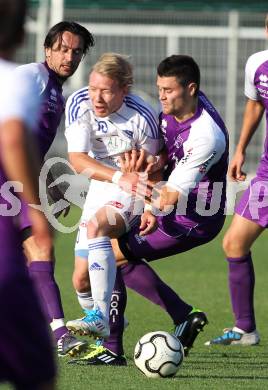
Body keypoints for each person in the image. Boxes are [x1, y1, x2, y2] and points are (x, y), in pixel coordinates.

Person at [68, 54, 229, 366]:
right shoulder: (177, 108)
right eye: (159, 89)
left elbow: (167, 196)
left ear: (191, 89)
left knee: (112, 251)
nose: (162, 97)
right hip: (179, 204)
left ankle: (113, 347)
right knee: (110, 248)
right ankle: (183, 316)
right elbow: (168, 154)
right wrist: (151, 162)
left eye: (168, 90)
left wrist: (148, 198)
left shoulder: (206, 136)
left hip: (193, 217)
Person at [64, 52, 162, 341]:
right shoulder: (79, 103)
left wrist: (149, 208)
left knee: (98, 227)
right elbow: (78, 161)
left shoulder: (143, 116)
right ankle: (108, 320)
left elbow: (154, 167)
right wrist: (119, 176)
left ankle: (102, 319)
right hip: (104, 182)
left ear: (124, 90)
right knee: (80, 279)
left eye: (106, 90)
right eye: (94, 88)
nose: (97, 97)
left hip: (133, 187)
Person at [16, 21, 95, 356]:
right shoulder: (31, 76)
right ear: (47, 49)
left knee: (33, 253)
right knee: (37, 249)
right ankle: (58, 334)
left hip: (15, 183)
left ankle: (53, 333)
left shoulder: (55, 92)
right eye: (63, 49)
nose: (69, 56)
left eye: (76, 51)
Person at [0, 0, 55, 388]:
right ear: (22, 36)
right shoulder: (13, 80)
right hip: (2, 269)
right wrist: (35, 208)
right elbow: (13, 135)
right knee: (37, 376)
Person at [204, 16, 268, 347]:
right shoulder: (258, 64)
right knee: (234, 243)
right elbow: (256, 103)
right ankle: (245, 329)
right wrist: (241, 149)